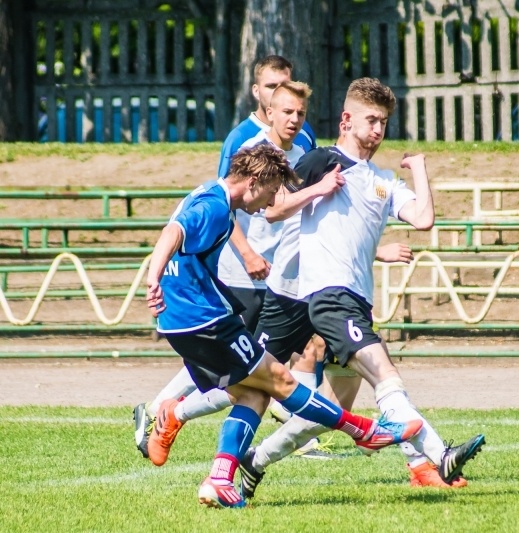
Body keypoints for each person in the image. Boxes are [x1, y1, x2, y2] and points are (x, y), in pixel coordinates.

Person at [237, 78, 485, 499]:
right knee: (385, 374)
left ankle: (254, 462)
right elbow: (274, 209)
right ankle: (434, 455)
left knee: (332, 410)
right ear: (347, 119)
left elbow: (423, 219)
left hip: (357, 300)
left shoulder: (382, 180)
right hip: (328, 298)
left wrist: (420, 168)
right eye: (371, 119)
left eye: (384, 122)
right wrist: (318, 188)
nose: (378, 129)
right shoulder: (322, 160)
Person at [144, 142, 422, 509]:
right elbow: (173, 232)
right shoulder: (216, 207)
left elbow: (174, 228)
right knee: (281, 380)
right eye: (273, 190)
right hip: (202, 318)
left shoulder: (207, 192)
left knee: (252, 393)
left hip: (185, 319)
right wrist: (153, 279)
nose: (269, 203)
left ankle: (219, 478)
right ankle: (363, 430)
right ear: (256, 181)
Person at [133, 56, 319, 459]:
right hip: (244, 273)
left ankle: (300, 430)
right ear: (262, 98)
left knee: (263, 363)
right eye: (273, 90)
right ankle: (161, 411)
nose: (286, 106)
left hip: (284, 270)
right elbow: (225, 199)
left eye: (290, 94)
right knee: (246, 368)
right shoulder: (245, 142)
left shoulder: (305, 141)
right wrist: (248, 251)